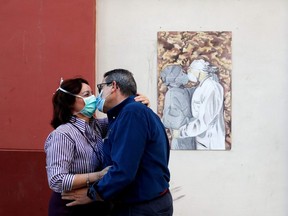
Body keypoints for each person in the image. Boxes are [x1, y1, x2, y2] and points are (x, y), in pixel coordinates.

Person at [62, 69, 173, 216]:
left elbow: (123, 170)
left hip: (141, 207)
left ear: (113, 86)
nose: (97, 96)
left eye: (101, 88)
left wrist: (92, 194)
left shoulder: (132, 113)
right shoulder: (128, 114)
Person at [45, 77, 150, 216]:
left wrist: (137, 103)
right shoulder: (63, 134)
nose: (93, 98)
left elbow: (123, 119)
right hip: (70, 207)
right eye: (87, 95)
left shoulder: (96, 126)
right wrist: (97, 176)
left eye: (93, 93)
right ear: (70, 103)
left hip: (93, 204)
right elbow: (57, 180)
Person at [173, 59, 226, 150]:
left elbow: (204, 121)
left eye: (191, 69)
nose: (188, 72)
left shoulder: (211, 88)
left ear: (199, 71)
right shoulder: (203, 86)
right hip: (202, 139)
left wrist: (181, 132)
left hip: (210, 142)